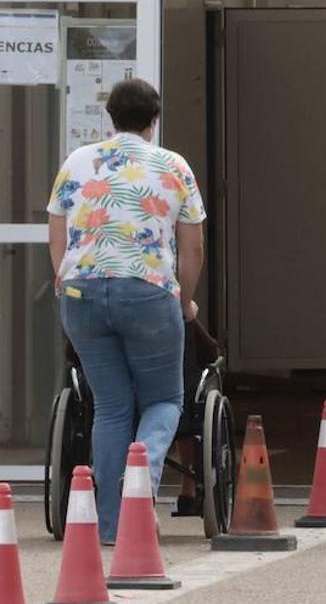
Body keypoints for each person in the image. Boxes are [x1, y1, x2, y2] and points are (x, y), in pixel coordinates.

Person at [47, 79, 206, 542]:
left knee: (112, 408)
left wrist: (66, 280)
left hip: (82, 294)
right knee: (163, 400)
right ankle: (142, 489)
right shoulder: (173, 165)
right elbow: (192, 244)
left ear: (109, 117)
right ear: (154, 119)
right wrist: (184, 299)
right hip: (148, 293)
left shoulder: (78, 161)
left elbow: (57, 234)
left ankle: (112, 525)